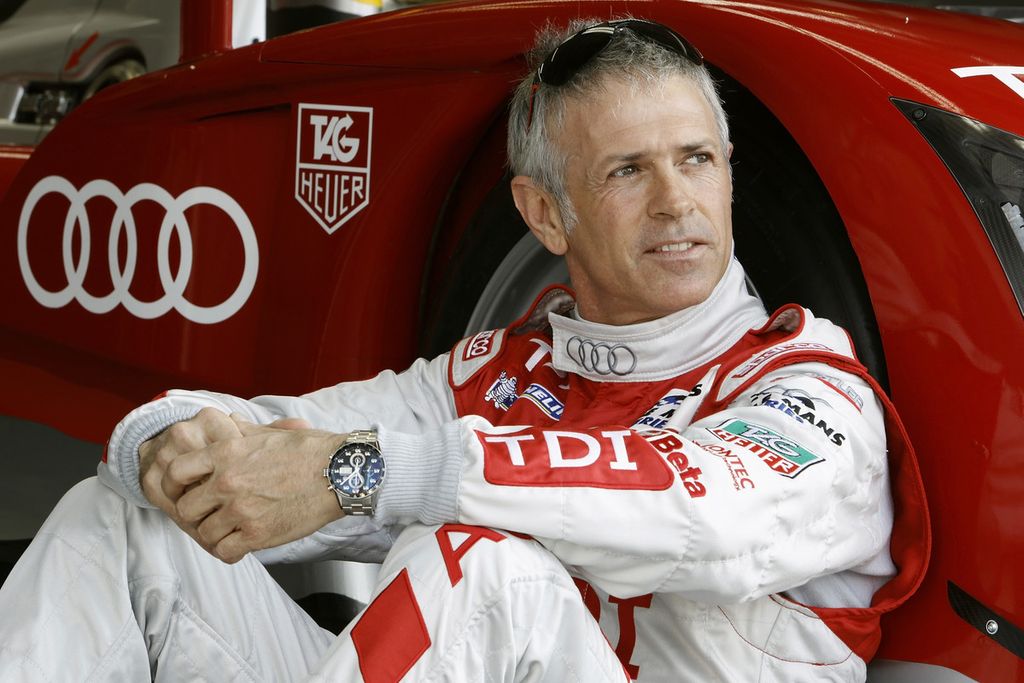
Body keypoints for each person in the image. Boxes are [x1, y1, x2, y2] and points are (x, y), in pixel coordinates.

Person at [0, 17, 929, 682]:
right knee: (120, 521)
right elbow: (267, 443)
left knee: (480, 565)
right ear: (544, 214)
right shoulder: (497, 372)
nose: (676, 201)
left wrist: (365, 474)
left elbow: (702, 516)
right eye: (627, 170)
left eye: (696, 159)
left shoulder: (814, 392)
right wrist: (165, 443)